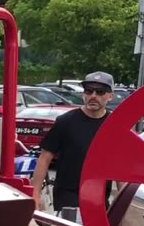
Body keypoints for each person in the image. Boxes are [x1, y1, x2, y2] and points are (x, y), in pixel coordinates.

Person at [31, 71, 114, 213]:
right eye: (89, 91)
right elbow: (45, 157)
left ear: (110, 96)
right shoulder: (66, 121)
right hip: (68, 194)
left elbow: (120, 163)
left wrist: (125, 202)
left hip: (99, 196)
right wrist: (35, 194)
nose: (93, 96)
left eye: (100, 92)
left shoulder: (114, 124)